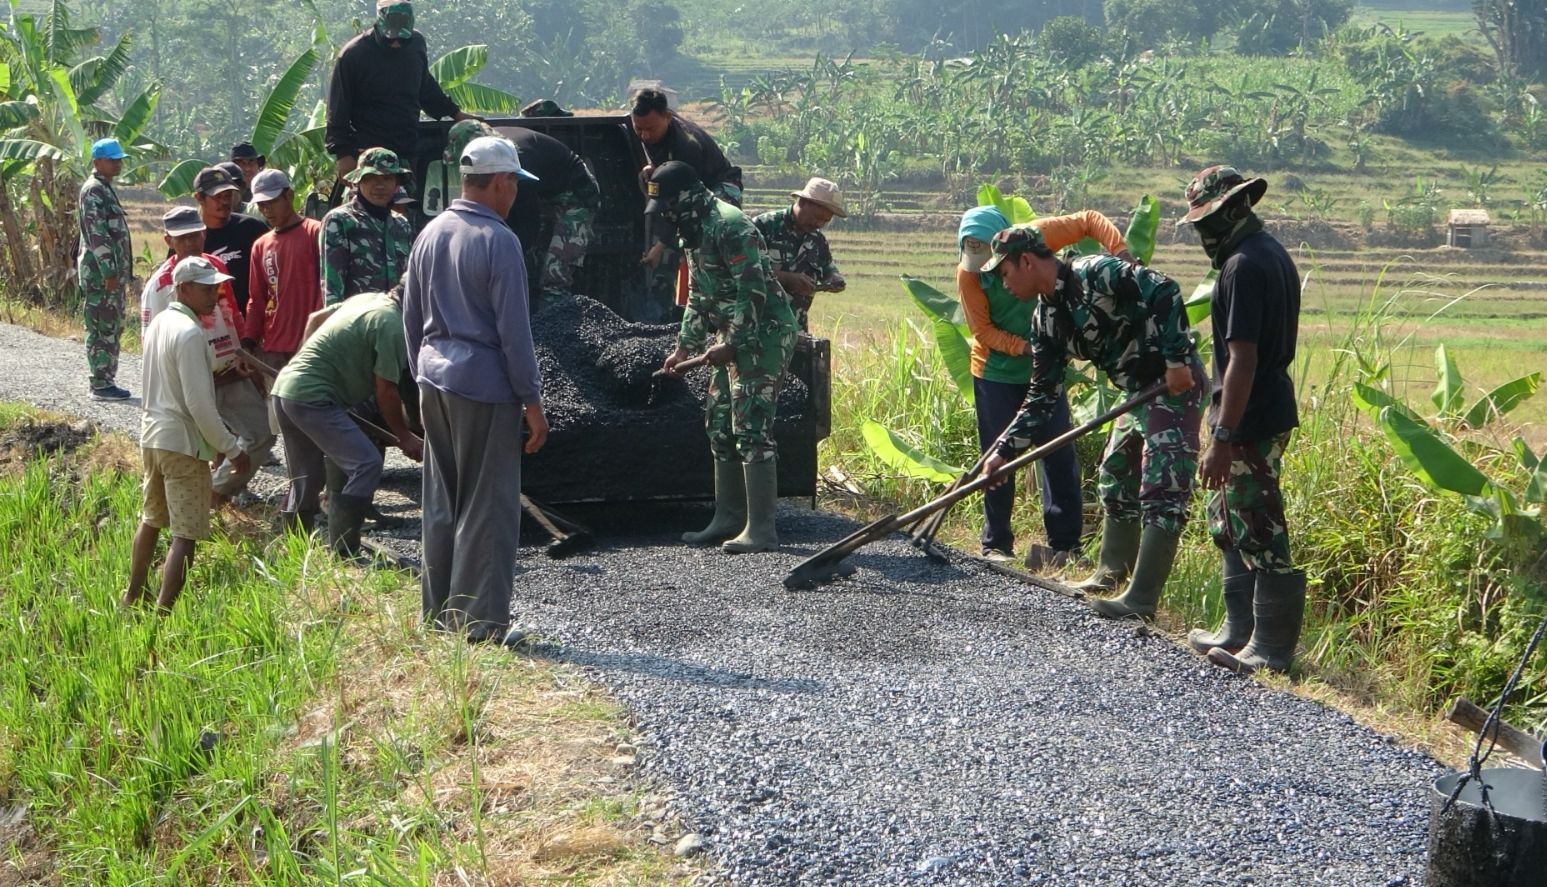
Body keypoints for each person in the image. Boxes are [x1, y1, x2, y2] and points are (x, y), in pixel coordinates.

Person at [978, 225, 1205, 620]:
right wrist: (1002, 451)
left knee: (1162, 485)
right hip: (1136, 392)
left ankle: (1142, 598)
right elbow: (1042, 396)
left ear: (1027, 261)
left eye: (1005, 273)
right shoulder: (1045, 318)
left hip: (1172, 385)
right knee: (1115, 475)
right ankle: (1111, 572)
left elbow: (1164, 288)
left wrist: (1176, 359)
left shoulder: (1095, 272)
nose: (1004, 283)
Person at [402, 136, 548, 646]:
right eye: (514, 185)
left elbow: (411, 315)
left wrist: (420, 373)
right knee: (488, 506)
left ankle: (439, 615)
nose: (515, 195)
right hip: (484, 387)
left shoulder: (431, 232)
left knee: (443, 500)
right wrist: (531, 400)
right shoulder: (499, 240)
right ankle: (481, 625)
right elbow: (515, 332)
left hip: (433, 379)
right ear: (502, 182)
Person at [957, 206, 1133, 570]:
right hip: (996, 372)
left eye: (1001, 267)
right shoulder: (969, 274)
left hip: (1046, 367)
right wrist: (1026, 347)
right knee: (999, 455)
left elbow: (1089, 220)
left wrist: (1123, 254)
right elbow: (982, 331)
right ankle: (997, 543)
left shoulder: (1034, 238)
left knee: (1057, 451)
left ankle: (1065, 544)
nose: (1001, 279)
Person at [1180, 166, 1305, 674]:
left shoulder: (1243, 267)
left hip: (1251, 412)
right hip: (1252, 406)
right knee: (1228, 519)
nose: (1203, 232)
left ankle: (1272, 648)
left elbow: (1243, 360)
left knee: (1258, 523)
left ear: (1234, 209)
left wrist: (1224, 435)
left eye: (1208, 219)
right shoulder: (1264, 252)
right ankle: (1238, 632)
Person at [653, 161, 798, 554]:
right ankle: (729, 517)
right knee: (719, 421)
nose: (666, 216)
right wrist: (685, 346)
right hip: (732, 332)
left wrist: (733, 343)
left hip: (764, 332)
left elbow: (753, 291)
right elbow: (699, 295)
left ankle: (762, 530)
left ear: (687, 199)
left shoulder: (731, 226)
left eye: (669, 207)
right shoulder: (694, 232)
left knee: (750, 422)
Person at [125, 257, 253, 613]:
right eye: (205, 287)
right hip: (181, 443)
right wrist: (230, 447)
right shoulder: (191, 332)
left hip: (152, 437)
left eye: (215, 286)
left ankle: (132, 597)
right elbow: (199, 404)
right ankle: (162, 617)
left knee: (151, 520)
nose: (214, 293)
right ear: (182, 289)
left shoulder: (161, 323)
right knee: (186, 533)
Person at [271, 287, 423, 552]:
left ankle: (293, 552)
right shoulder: (392, 326)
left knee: (307, 478)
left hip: (287, 388)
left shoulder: (367, 299)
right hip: (313, 398)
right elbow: (386, 390)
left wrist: (301, 363)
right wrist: (405, 436)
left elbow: (315, 318)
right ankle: (343, 553)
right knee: (366, 464)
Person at [140, 207, 275, 503]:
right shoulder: (162, 286)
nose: (191, 243)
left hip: (229, 370)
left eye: (196, 235)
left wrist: (243, 353)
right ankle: (201, 499)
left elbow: (232, 314)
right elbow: (152, 340)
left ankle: (218, 489)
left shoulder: (214, 266)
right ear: (168, 241)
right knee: (201, 439)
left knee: (262, 432)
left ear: (205, 233)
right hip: (193, 378)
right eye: (183, 238)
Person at [325, 0, 474, 180]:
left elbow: (425, 87)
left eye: (402, 39)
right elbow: (337, 110)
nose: (396, 44)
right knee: (371, 203)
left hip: (406, 149)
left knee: (406, 204)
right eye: (391, 38)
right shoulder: (353, 55)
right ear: (379, 25)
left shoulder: (416, 45)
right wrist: (342, 154)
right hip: (369, 156)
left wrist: (456, 113)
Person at [631, 88, 743, 312]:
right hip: (682, 190)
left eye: (650, 129)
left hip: (717, 187)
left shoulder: (686, 146)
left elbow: (686, 205)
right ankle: (660, 315)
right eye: (638, 129)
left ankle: (715, 310)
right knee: (662, 247)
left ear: (668, 117)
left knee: (705, 238)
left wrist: (660, 245)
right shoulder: (647, 129)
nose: (644, 136)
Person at [244, 169, 324, 376]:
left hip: (311, 343)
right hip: (274, 347)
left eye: (271, 202)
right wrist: (249, 340)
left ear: (289, 195)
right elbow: (257, 298)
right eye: (261, 205)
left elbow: (327, 287)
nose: (266, 210)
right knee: (275, 407)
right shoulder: (261, 246)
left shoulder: (315, 232)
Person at [321, 147, 414, 306]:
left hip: (395, 321)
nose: (379, 186)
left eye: (387, 178)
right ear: (358, 180)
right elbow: (332, 288)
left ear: (396, 184)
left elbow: (410, 282)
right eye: (371, 178)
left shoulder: (402, 225)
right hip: (355, 322)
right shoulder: (340, 221)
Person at [753, 177, 847, 332]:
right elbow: (740, 272)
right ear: (802, 202)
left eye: (825, 221)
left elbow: (829, 270)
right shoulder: (764, 226)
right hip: (759, 328)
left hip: (796, 330)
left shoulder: (818, 240)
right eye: (816, 217)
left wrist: (834, 280)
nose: (818, 224)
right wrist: (785, 279)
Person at [77, 137, 133, 400]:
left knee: (111, 326)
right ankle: (100, 384)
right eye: (112, 160)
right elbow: (96, 233)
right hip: (101, 275)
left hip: (108, 274)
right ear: (97, 162)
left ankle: (106, 380)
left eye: (119, 159)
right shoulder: (93, 190)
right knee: (101, 326)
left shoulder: (104, 188)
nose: (118, 164)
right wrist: (109, 271)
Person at [194, 165, 269, 317]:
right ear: (200, 198)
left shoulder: (252, 229)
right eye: (217, 197)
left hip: (248, 323)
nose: (224, 202)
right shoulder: (190, 237)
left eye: (228, 195)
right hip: (206, 325)